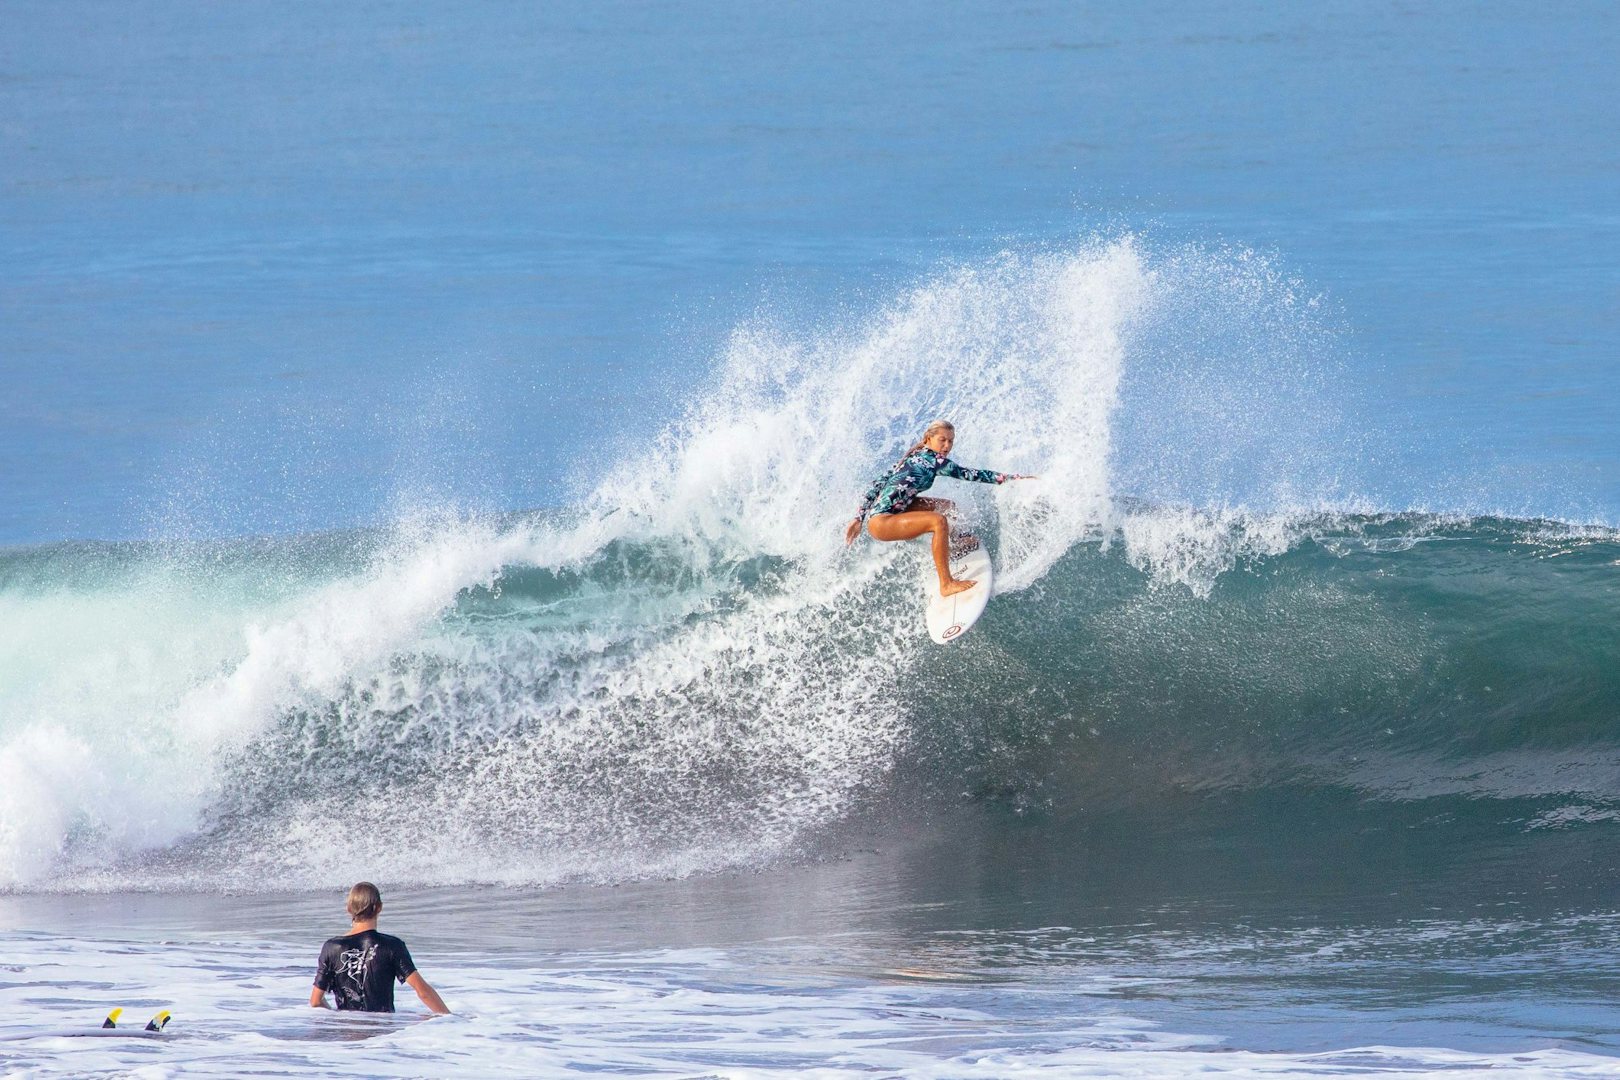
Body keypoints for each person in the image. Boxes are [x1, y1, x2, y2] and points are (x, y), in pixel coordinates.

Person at [844, 420, 1034, 596]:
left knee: (947, 507)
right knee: (938, 521)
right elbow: (972, 474)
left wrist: (858, 517)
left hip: (899, 509)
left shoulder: (916, 456)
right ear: (929, 439)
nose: (947, 446)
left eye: (951, 441)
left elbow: (880, 483)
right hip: (882, 522)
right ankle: (946, 584)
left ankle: (955, 544)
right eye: (942, 440)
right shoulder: (930, 460)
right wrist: (859, 518)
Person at [309, 882, 450, 1015]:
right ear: (379, 907)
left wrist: (341, 1019)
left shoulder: (331, 947)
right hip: (382, 1034)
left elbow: (315, 1001)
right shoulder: (392, 945)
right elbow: (423, 992)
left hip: (347, 1035)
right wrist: (450, 1019)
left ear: (348, 909)